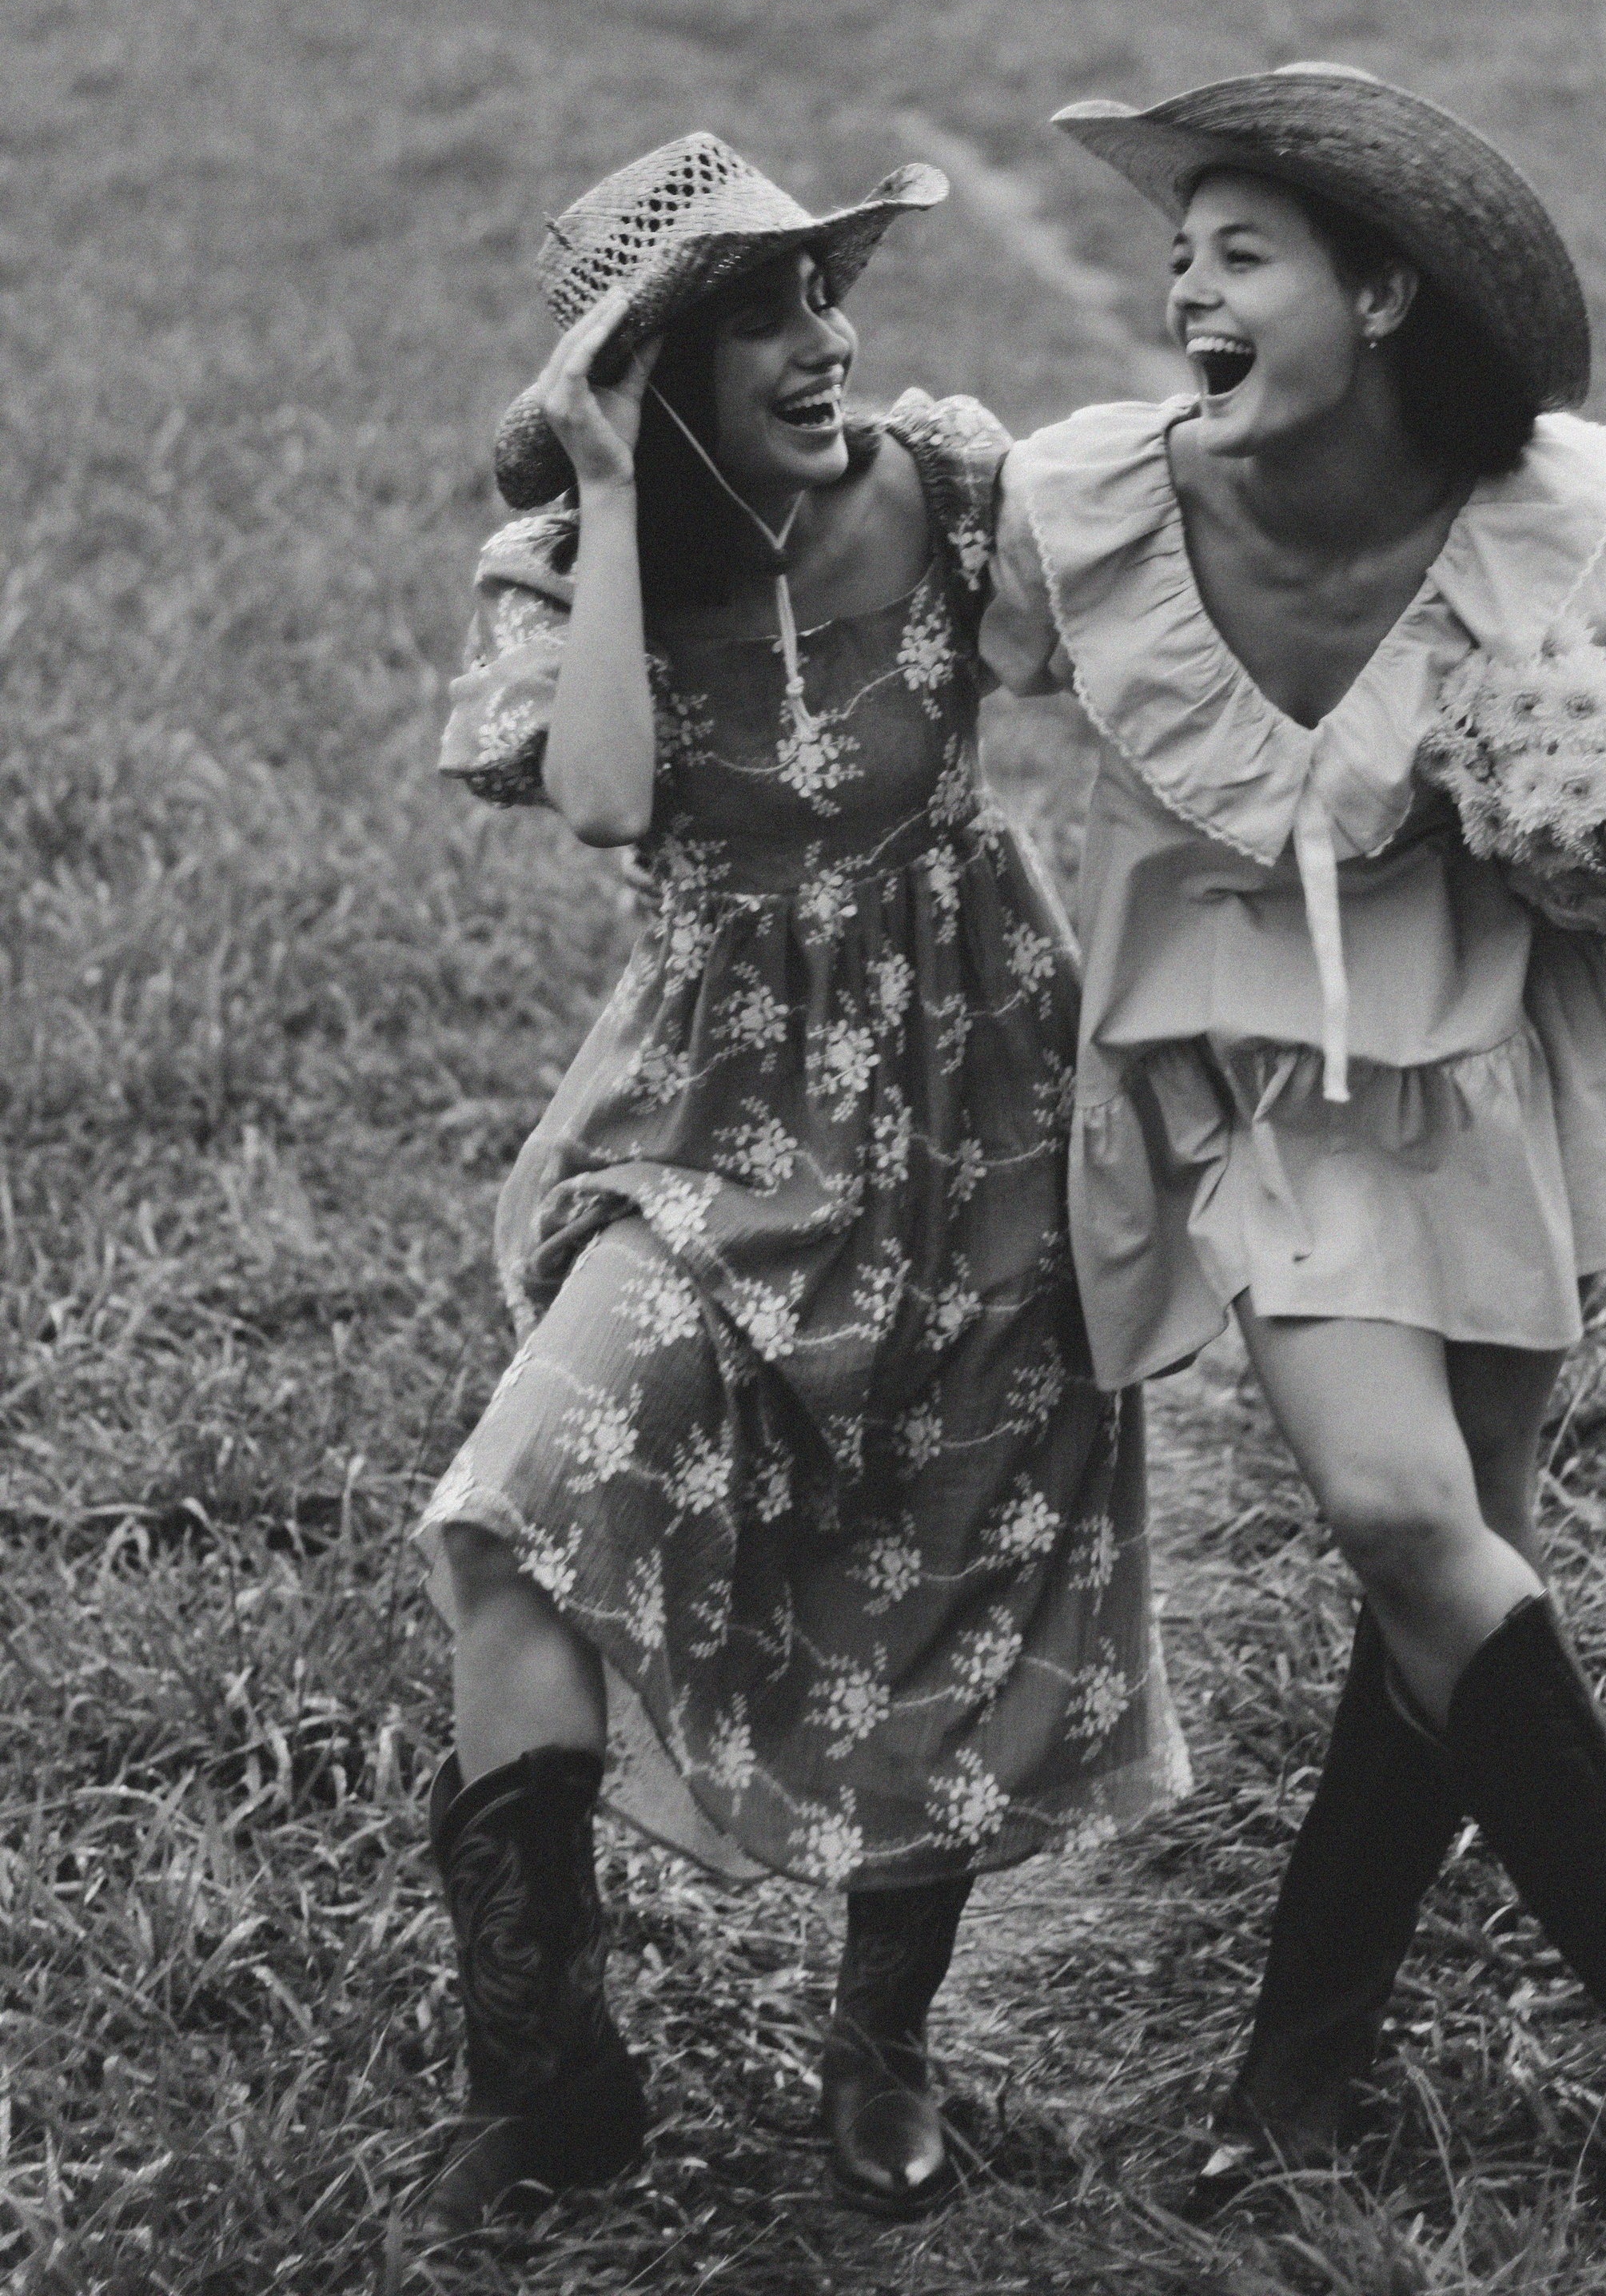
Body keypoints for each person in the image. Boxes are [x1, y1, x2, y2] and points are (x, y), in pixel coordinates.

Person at [979, 64, 1606, 2181]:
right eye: (1178, 257)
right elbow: (873, 563)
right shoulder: (1098, 510)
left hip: (1510, 1048)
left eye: (1241, 252)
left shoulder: (1554, 498)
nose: (1189, 286)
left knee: (1452, 1579)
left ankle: (1300, 2066)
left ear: (1387, 296)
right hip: (1272, 1083)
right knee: (1397, 1514)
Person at [417, 131, 1186, 2238]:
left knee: (957, 1552)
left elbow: (1133, 666)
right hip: (716, 1115)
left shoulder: (943, 487)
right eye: (762, 309)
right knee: (519, 1508)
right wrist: (598, 489)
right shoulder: (577, 563)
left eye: (827, 292)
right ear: (651, 360)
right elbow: (597, 800)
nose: (826, 340)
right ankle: (547, 2058)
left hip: (978, 1092)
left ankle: (883, 2050)